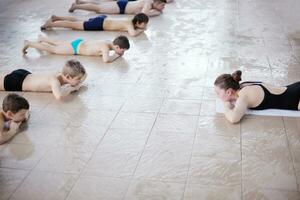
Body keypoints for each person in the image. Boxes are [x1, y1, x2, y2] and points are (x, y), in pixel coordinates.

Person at [214, 70, 300, 123]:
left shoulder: (244, 95)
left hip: (297, 98)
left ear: (229, 92)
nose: (217, 95)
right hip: (295, 88)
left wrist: (226, 106)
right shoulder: (243, 85)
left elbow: (234, 119)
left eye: (218, 93)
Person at [0, 60, 87, 100]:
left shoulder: (61, 73)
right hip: (17, 82)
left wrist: (77, 81)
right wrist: (73, 88)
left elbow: (85, 75)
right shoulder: (54, 81)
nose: (80, 81)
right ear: (68, 77)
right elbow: (59, 96)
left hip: (25, 74)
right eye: (78, 79)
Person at [23, 35, 130, 63]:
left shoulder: (108, 42)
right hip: (75, 49)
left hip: (79, 42)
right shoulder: (106, 48)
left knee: (58, 43)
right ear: (117, 47)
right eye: (123, 50)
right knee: (52, 49)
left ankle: (42, 38)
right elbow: (106, 60)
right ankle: (29, 44)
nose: (122, 53)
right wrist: (116, 56)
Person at [41, 13, 149, 37]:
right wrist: (141, 30)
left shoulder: (131, 20)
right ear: (138, 23)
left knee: (77, 20)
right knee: (73, 25)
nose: (145, 27)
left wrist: (140, 28)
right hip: (99, 24)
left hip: (103, 18)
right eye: (143, 25)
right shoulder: (129, 24)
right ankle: (50, 23)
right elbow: (133, 34)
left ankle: (57, 17)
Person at [69, 0, 166, 17]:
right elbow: (143, 15)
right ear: (157, 3)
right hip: (121, 7)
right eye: (162, 5)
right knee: (98, 8)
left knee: (99, 5)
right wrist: (156, 13)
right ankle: (76, 6)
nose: (163, 7)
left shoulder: (148, 3)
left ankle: (81, 2)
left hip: (123, 5)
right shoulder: (148, 4)